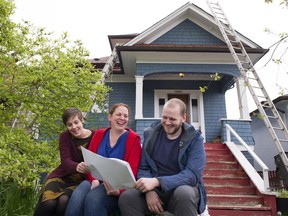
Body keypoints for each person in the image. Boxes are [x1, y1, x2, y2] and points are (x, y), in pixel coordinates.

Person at [118, 98, 207, 216]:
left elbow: (192, 175)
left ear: (183, 118)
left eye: (172, 119)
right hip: (156, 191)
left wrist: (157, 182)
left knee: (184, 193)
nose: (167, 122)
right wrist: (149, 191)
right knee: (127, 197)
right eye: (164, 117)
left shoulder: (195, 139)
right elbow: (143, 168)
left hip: (181, 191)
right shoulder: (150, 135)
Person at [65, 103, 142, 216]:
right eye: (118, 114)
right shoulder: (99, 134)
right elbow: (89, 162)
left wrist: (119, 192)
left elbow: (133, 173)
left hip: (116, 187)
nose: (122, 118)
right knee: (77, 198)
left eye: (125, 116)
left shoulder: (133, 139)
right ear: (110, 117)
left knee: (93, 200)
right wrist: (93, 180)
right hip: (95, 179)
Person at [34, 107, 95, 216]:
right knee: (49, 202)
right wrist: (77, 166)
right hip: (61, 176)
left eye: (76, 122)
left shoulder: (95, 136)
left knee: (64, 201)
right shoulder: (65, 136)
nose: (74, 127)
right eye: (69, 124)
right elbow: (65, 161)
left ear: (82, 120)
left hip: (79, 180)